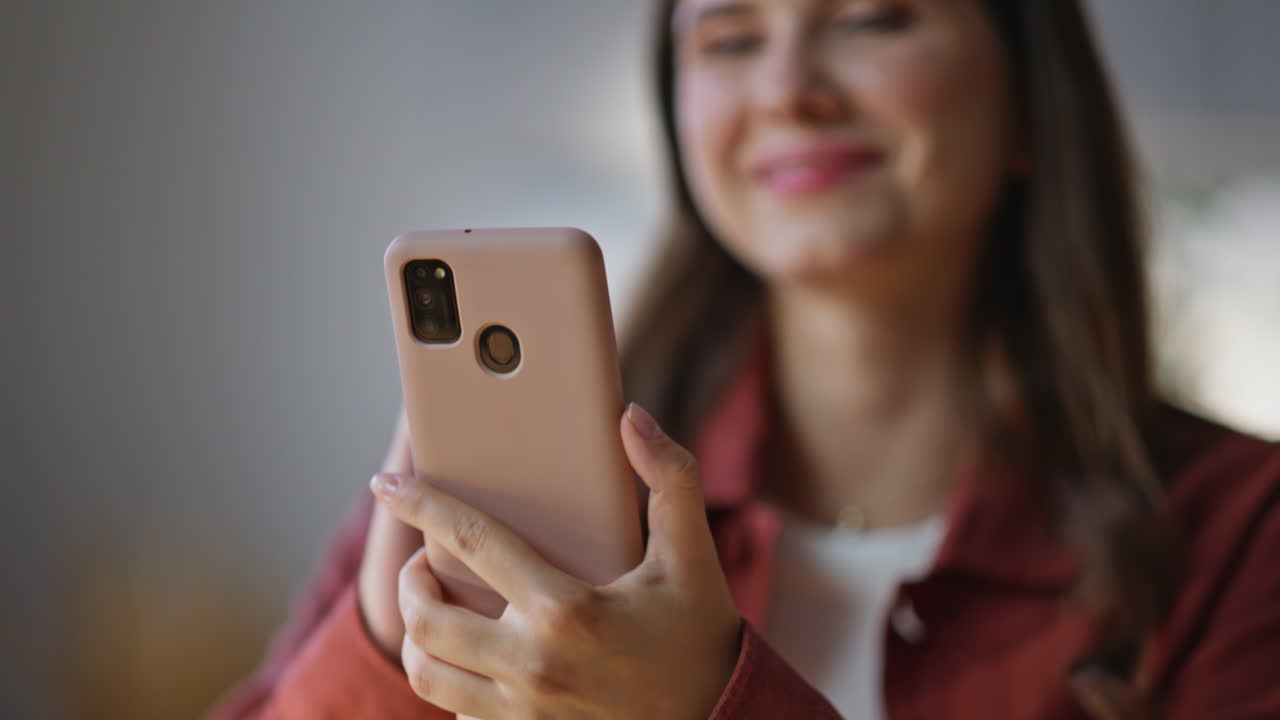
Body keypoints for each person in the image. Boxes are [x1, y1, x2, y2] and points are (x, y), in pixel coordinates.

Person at [209, 0, 1280, 718]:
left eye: (873, 17)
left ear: (1029, 103)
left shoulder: (1240, 529)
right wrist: (381, 652)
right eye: (727, 38)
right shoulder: (506, 506)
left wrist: (708, 706)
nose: (786, 89)